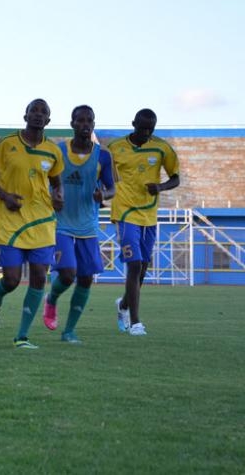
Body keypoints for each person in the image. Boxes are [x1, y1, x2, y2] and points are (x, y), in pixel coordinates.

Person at [0, 99, 64, 349]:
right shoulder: (7, 144)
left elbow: (57, 182)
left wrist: (59, 196)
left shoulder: (53, 150)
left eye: (43, 112)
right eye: (34, 111)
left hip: (41, 220)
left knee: (39, 276)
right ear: (25, 116)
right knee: (12, 279)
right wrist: (4, 196)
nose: (38, 115)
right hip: (10, 219)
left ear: (48, 120)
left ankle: (22, 336)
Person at [41, 106, 115, 342]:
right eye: (80, 120)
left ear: (93, 124)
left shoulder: (103, 156)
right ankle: (51, 298)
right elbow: (44, 181)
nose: (85, 124)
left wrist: (103, 195)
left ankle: (69, 331)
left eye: (89, 121)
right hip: (60, 223)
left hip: (88, 226)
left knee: (85, 279)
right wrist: (53, 196)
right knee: (68, 273)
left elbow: (112, 188)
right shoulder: (59, 151)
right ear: (72, 124)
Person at [107, 108, 179, 336]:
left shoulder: (162, 148)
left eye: (151, 128)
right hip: (124, 213)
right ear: (133, 124)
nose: (146, 132)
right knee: (135, 264)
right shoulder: (115, 148)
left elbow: (175, 178)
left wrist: (160, 187)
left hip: (148, 215)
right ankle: (136, 322)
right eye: (142, 127)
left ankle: (123, 305)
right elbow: (102, 173)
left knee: (143, 268)